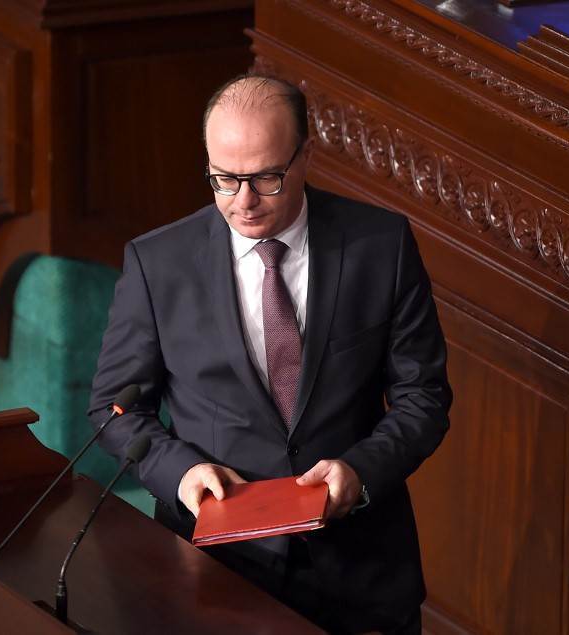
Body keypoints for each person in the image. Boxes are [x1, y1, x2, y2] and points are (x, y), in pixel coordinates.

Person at [88, 74, 452, 634]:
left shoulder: (381, 246)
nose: (244, 202)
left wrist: (361, 471)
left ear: (305, 156)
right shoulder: (158, 263)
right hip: (214, 576)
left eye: (265, 179)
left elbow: (423, 396)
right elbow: (115, 410)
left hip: (359, 574)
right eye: (224, 179)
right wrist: (182, 474)